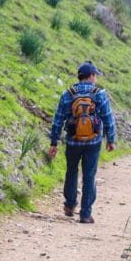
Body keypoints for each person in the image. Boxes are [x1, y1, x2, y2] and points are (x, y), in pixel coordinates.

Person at [47, 61, 116, 223]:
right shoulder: (99, 94)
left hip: (73, 140)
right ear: (91, 76)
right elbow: (108, 119)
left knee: (71, 172)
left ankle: (70, 206)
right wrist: (110, 139)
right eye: (95, 75)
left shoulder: (68, 93)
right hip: (93, 142)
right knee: (89, 176)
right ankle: (85, 214)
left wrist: (54, 142)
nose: (96, 78)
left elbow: (58, 119)